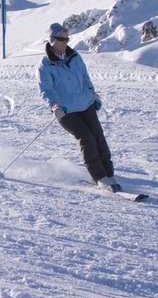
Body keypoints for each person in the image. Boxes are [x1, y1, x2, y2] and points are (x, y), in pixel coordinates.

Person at [37, 22, 121, 192]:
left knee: (98, 136)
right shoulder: (45, 64)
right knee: (86, 138)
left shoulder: (75, 57)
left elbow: (85, 78)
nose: (65, 42)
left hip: (85, 103)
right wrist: (54, 106)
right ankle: (99, 177)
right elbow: (46, 89)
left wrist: (93, 94)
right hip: (66, 110)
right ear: (52, 40)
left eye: (67, 38)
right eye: (62, 39)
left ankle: (109, 173)